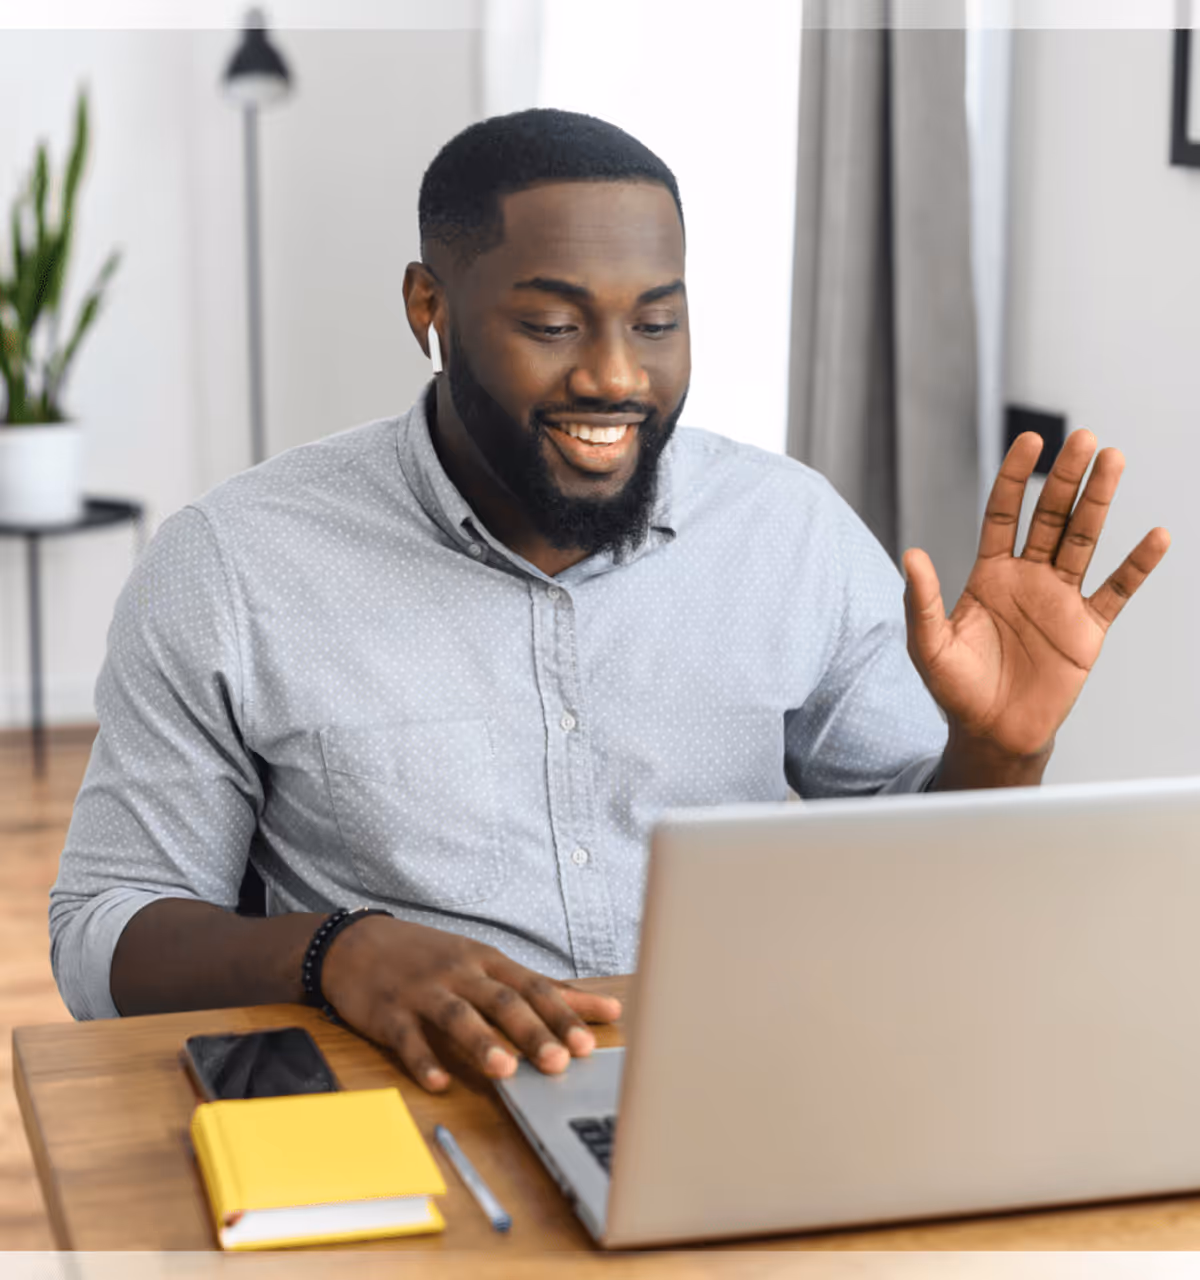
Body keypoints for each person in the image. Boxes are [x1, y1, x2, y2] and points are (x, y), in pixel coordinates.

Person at [50, 109, 1169, 1093]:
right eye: (553, 324)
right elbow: (103, 934)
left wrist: (997, 752)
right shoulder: (234, 562)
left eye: (657, 322)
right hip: (411, 1103)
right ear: (427, 306)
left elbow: (928, 900)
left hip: (736, 1086)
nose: (617, 377)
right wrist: (334, 950)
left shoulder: (788, 529)